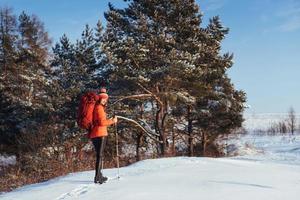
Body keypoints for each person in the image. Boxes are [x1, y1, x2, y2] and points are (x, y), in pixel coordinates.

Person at [89, 88, 117, 184]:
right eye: (103, 98)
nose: (105, 100)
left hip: (94, 134)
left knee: (99, 155)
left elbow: (98, 121)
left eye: (106, 99)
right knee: (100, 156)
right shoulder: (99, 108)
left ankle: (99, 175)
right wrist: (113, 121)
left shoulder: (95, 107)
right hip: (100, 134)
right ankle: (97, 177)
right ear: (100, 99)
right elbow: (102, 122)